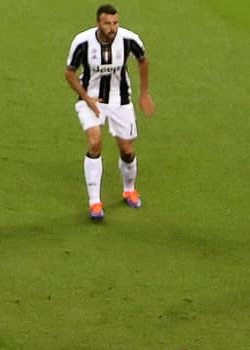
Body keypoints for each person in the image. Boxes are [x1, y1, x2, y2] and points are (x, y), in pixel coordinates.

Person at [64, 4, 154, 221]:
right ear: (98, 23)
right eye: (107, 23)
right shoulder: (82, 42)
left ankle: (129, 189)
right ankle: (95, 202)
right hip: (91, 98)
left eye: (115, 23)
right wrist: (87, 98)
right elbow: (69, 73)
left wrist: (144, 93)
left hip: (120, 101)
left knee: (127, 151)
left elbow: (142, 60)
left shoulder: (129, 39)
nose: (112, 28)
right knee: (94, 142)